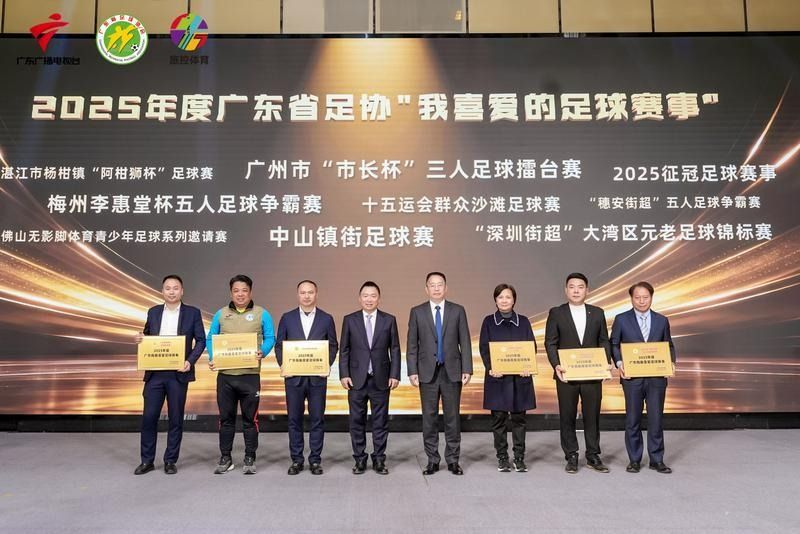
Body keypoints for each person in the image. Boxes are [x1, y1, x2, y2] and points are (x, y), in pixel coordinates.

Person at [134, 275, 206, 475]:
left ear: (182, 291)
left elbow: (201, 340)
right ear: (162, 291)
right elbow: (147, 336)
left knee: (175, 418)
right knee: (149, 417)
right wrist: (140, 338)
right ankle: (147, 461)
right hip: (155, 374)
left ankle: (170, 460)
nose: (171, 291)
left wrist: (189, 361)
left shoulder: (192, 313)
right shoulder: (153, 311)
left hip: (178, 373)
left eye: (175, 288)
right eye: (168, 288)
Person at [544, 272, 612, 474]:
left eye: (580, 287)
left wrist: (605, 363)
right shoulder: (556, 313)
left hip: (592, 374)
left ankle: (593, 455)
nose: (576, 290)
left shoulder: (597, 313)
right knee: (567, 415)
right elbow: (550, 342)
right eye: (572, 287)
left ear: (587, 290)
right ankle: (571, 455)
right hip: (566, 374)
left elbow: (603, 340)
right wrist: (556, 365)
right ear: (566, 290)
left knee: (592, 415)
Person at [207, 274, 275, 475]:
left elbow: (270, 337)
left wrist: (263, 351)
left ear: (250, 292)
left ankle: (250, 456)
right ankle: (225, 457)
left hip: (250, 376)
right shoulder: (221, 314)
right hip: (226, 376)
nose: (240, 294)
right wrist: (213, 356)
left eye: (244, 290)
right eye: (236, 290)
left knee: (250, 419)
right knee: (226, 418)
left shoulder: (262, 313)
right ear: (231, 293)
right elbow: (210, 338)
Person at [407, 272, 472, 476]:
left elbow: (465, 341)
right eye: (432, 285)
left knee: (453, 418)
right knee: (429, 418)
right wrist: (412, 371)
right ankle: (432, 460)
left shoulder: (457, 310)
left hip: (452, 371)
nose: (436, 288)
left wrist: (467, 368)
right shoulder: (417, 312)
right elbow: (412, 344)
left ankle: (453, 460)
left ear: (446, 288)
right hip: (427, 373)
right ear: (426, 289)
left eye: (440, 284)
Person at [610, 281, 676, 474]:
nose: (641, 301)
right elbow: (614, 344)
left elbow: (668, 345)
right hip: (632, 378)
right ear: (631, 298)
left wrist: (671, 362)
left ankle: (657, 459)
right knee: (633, 419)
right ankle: (634, 460)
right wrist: (620, 363)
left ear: (651, 297)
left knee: (656, 419)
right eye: (637, 297)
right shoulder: (621, 319)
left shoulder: (661, 320)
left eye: (645, 297)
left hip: (656, 378)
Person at [275, 280, 338, 476]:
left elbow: (333, 345)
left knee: (317, 419)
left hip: (317, 378)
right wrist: (283, 364)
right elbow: (279, 345)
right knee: (294, 419)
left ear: (316, 294)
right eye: (303, 292)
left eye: (310, 292)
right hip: (293, 378)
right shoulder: (287, 318)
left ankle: (315, 460)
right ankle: (297, 460)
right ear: (298, 295)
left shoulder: (326, 318)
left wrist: (326, 364)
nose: (307, 296)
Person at [339, 281, 401, 475]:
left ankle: (379, 459)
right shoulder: (350, 320)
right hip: (356, 379)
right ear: (359, 298)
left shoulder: (389, 320)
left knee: (380, 421)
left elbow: (395, 349)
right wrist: (344, 374)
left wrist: (395, 374)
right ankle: (359, 459)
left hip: (381, 378)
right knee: (356, 421)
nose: (369, 299)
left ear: (379, 299)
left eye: (373, 296)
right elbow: (344, 349)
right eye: (365, 296)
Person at [478, 283, 537, 473]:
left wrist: (528, 366)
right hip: (498, 378)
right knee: (499, 420)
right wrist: (491, 367)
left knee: (519, 420)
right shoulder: (489, 321)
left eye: (508, 297)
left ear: (514, 300)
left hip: (520, 378)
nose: (504, 300)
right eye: (500, 297)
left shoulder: (524, 321)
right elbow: (484, 348)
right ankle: (502, 457)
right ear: (495, 300)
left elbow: (531, 347)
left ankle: (519, 458)